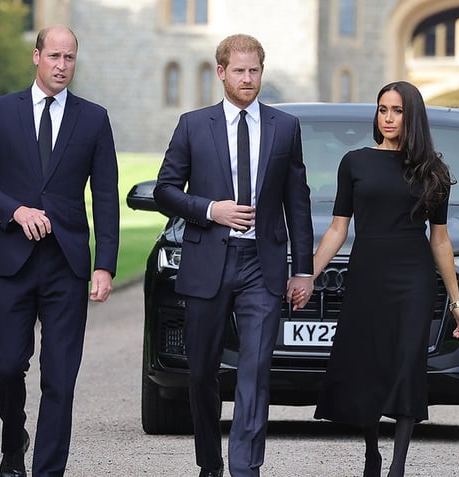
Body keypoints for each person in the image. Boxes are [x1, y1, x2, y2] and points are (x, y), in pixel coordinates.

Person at [0, 25, 119, 477]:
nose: (62, 66)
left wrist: (105, 265)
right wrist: (14, 211)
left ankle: (48, 471)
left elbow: (105, 196)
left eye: (69, 58)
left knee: (60, 379)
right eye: (54, 57)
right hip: (10, 260)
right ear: (37, 56)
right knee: (7, 366)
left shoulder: (94, 119)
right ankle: (14, 439)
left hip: (66, 265)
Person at [153, 34, 314, 477]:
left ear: (263, 71)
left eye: (255, 70)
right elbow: (165, 190)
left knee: (255, 370)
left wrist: (303, 270)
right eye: (239, 71)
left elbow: (297, 203)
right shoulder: (192, 125)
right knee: (202, 372)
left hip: (261, 266)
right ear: (221, 72)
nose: (248, 79)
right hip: (208, 262)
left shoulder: (285, 127)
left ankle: (246, 469)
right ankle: (210, 463)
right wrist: (210, 209)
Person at [308, 81, 459, 477]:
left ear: (411, 115)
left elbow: (441, 240)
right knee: (369, 363)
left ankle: (397, 464)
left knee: (406, 363)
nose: (388, 118)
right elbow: (336, 229)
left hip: (413, 278)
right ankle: (371, 454)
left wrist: (456, 304)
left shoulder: (434, 170)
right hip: (367, 273)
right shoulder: (355, 162)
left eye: (397, 111)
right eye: (383, 109)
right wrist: (306, 275)